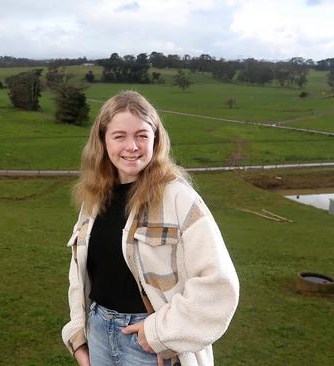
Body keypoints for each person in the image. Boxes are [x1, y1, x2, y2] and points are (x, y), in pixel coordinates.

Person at [61, 91, 239, 366]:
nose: (132, 146)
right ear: (103, 140)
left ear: (156, 139)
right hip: (97, 330)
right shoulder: (94, 197)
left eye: (142, 135)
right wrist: (77, 331)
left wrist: (159, 334)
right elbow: (80, 272)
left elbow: (219, 286)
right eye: (119, 136)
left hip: (150, 344)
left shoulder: (178, 198)